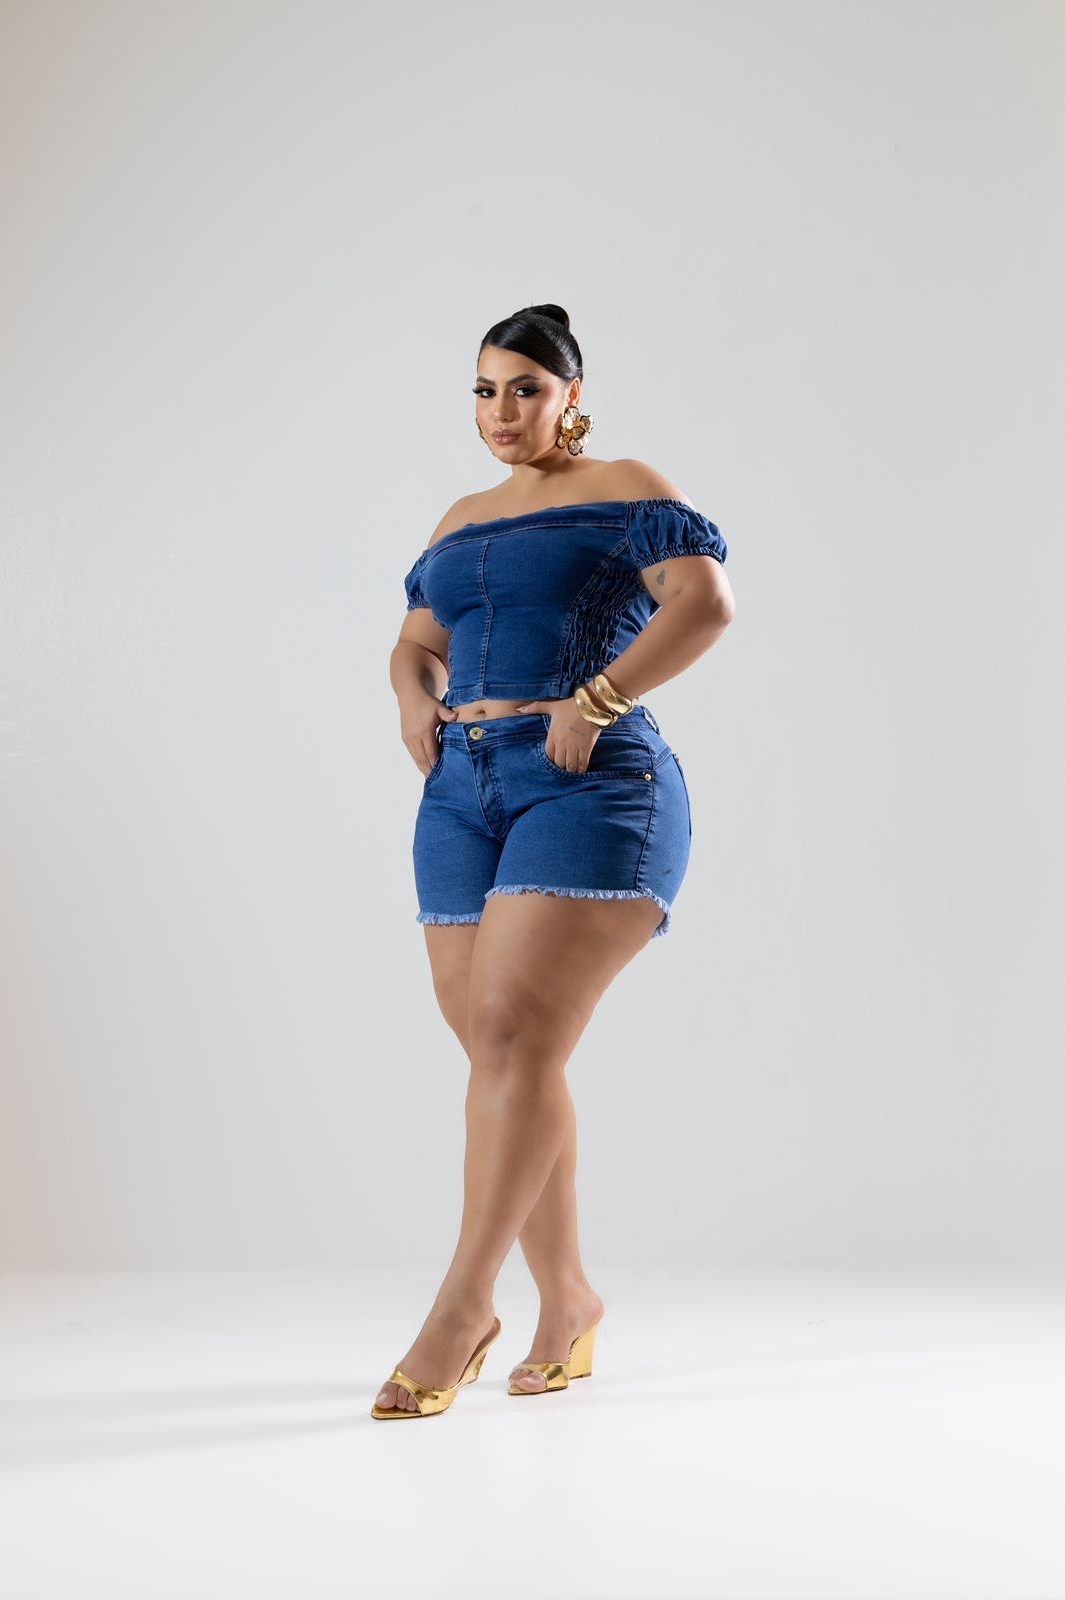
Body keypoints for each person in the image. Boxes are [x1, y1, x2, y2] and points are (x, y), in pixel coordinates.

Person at [375, 303, 736, 1418]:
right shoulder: (460, 517)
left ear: (570, 395)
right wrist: (411, 698)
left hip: (591, 781)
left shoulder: (627, 486)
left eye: (526, 389)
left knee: (511, 1038)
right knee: (504, 1055)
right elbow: (417, 641)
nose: (502, 411)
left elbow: (705, 603)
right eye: (485, 391)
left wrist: (600, 696)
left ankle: (461, 1308)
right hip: (459, 793)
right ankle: (569, 1300)